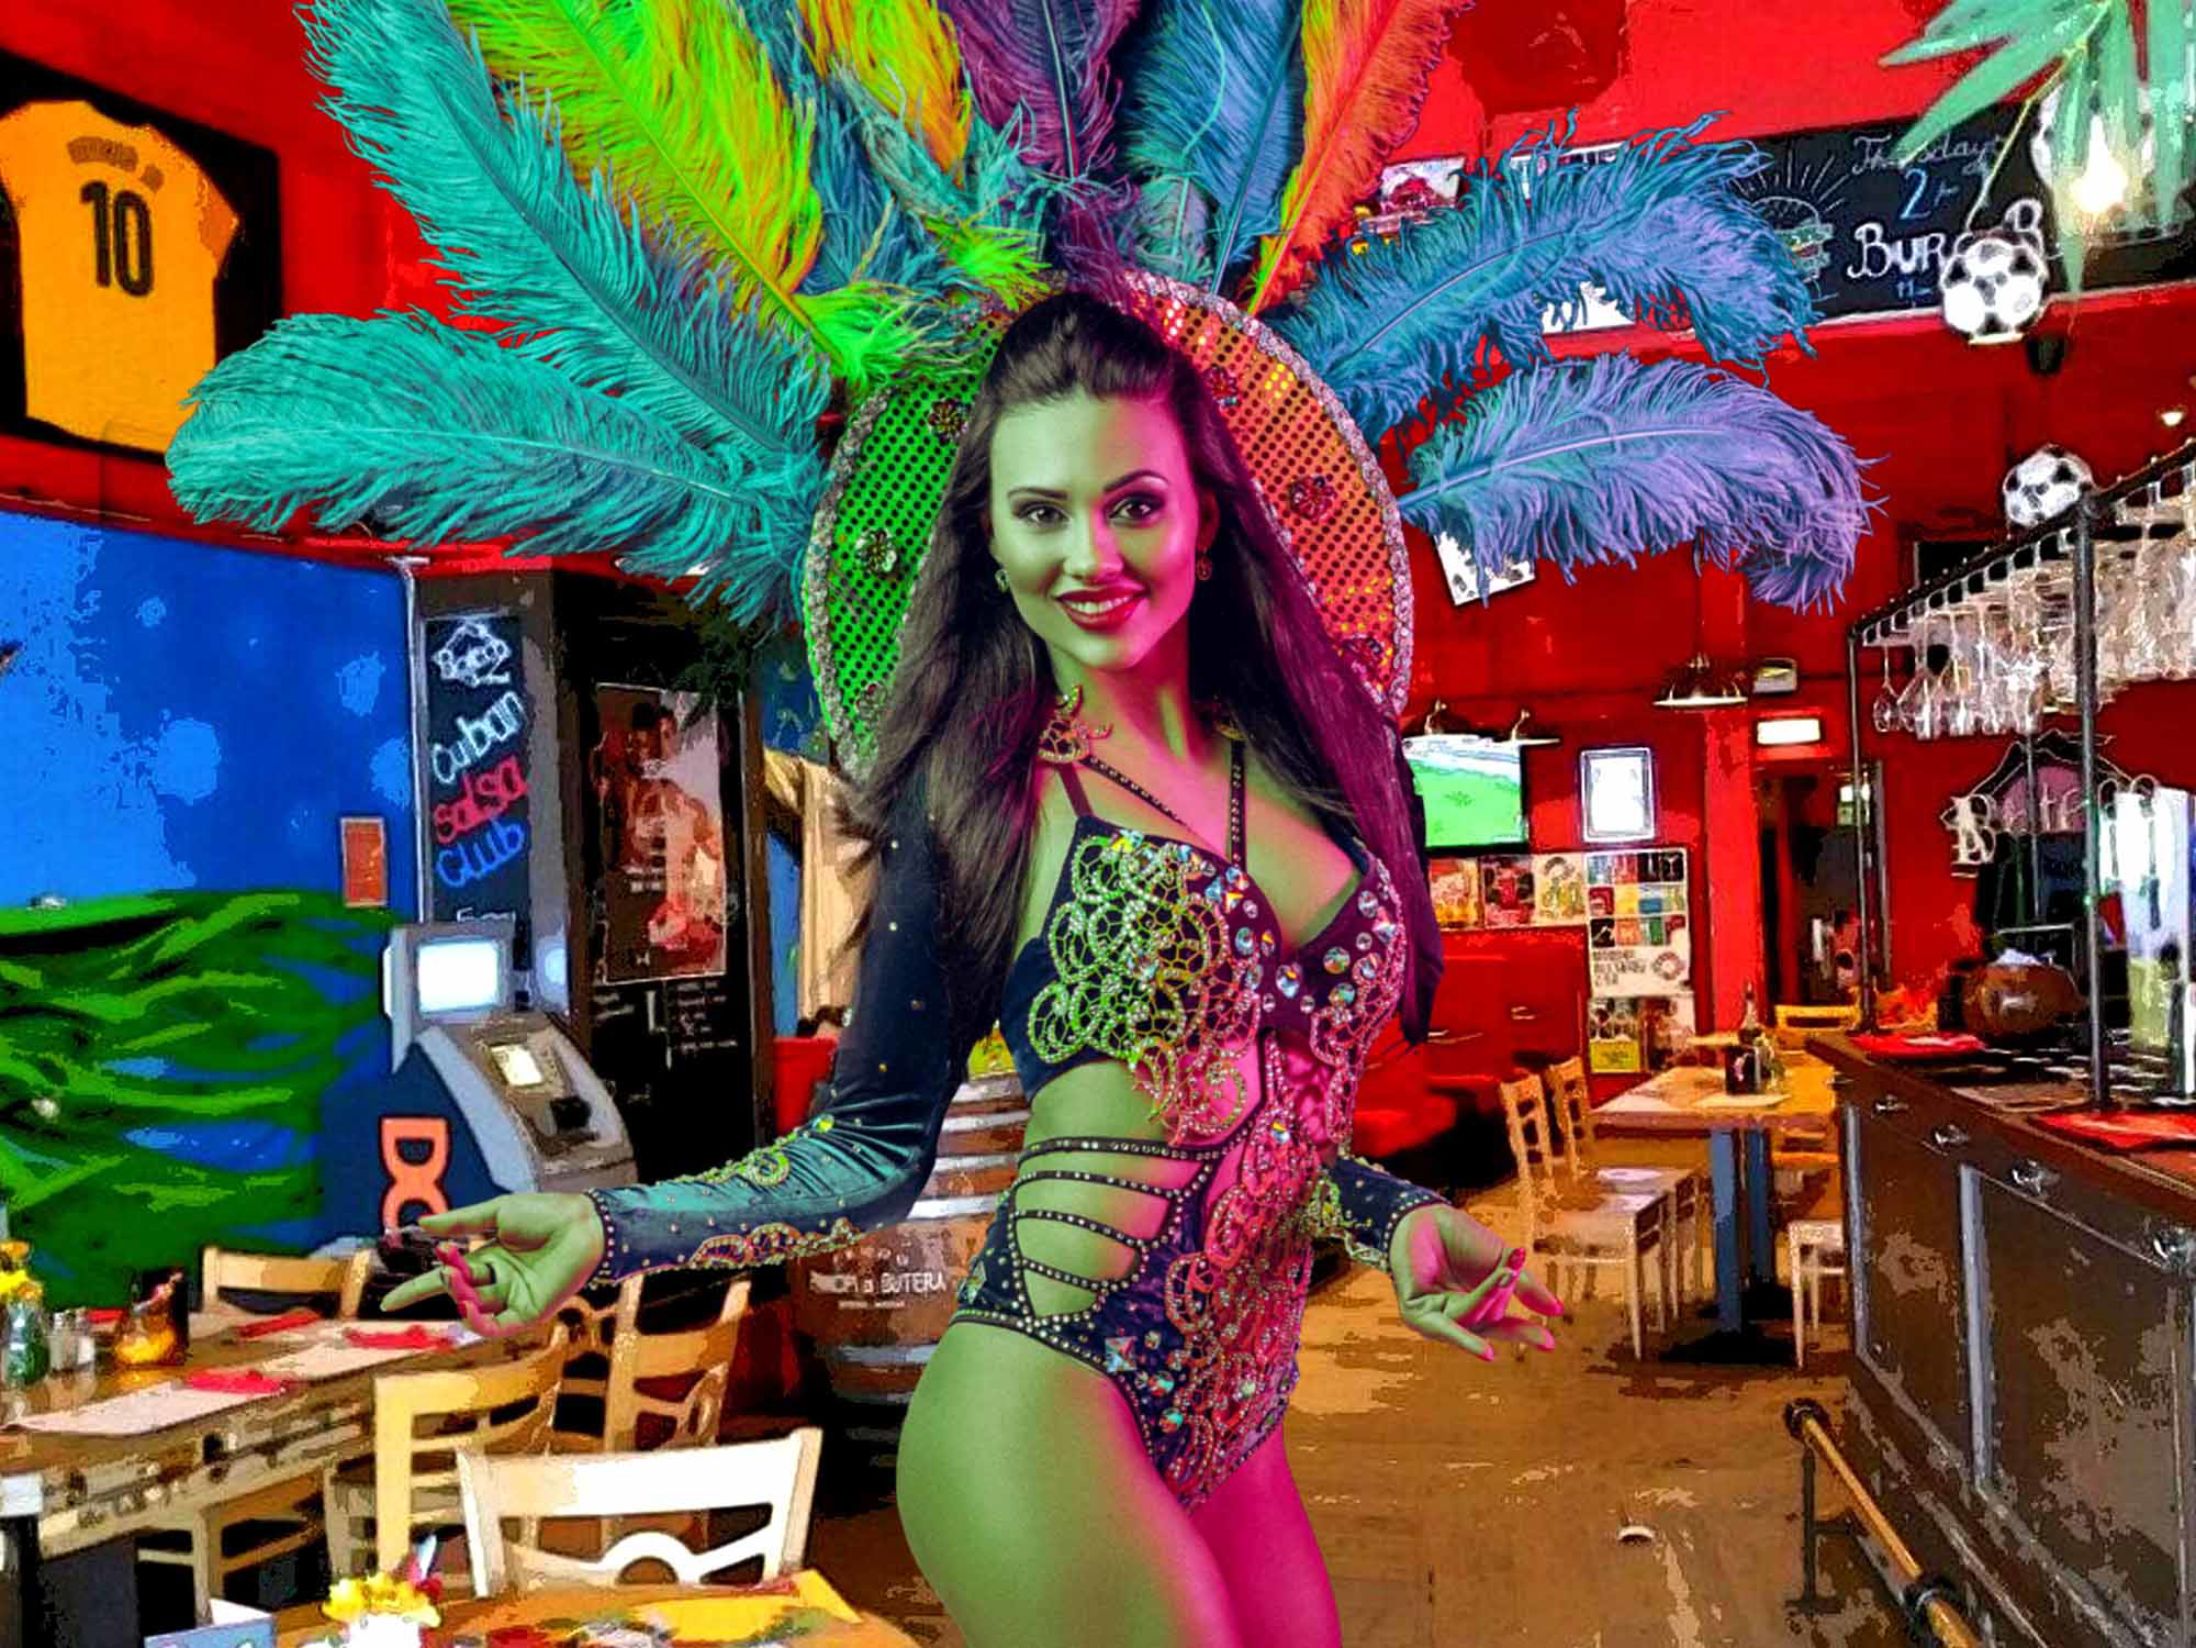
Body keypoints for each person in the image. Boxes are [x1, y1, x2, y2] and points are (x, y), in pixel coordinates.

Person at [385, 292, 1562, 1648]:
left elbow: (1259, 1124)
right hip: (1039, 1407)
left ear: (1207, 515)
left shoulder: (1328, 775)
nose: (1089, 556)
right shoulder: (982, 804)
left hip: (1242, 1420)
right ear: (990, 543)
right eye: (1040, 513)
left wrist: (1394, 1221)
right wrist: (609, 1231)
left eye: (1133, 504)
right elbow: (867, 1151)